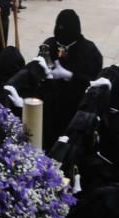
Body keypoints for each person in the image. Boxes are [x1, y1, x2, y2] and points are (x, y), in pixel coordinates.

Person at [39, 9, 104, 148]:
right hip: (51, 110)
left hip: (76, 109)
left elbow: (95, 82)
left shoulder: (89, 50)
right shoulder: (49, 45)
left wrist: (71, 76)